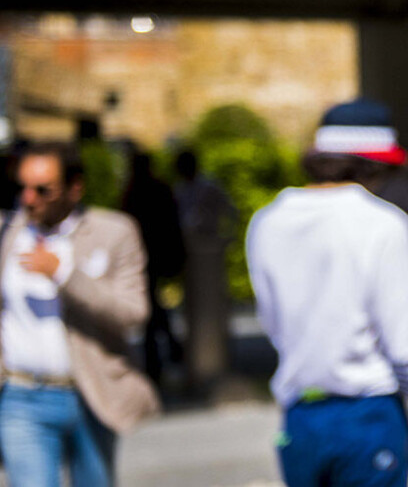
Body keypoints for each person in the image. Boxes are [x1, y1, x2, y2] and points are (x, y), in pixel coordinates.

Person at [245, 98, 408, 487]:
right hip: (368, 416)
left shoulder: (266, 221)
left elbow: (271, 323)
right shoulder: (382, 223)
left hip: (299, 416)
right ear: (374, 165)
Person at [0, 142, 159, 486]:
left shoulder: (114, 232)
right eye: (23, 187)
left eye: (43, 190)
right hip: (21, 396)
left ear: (75, 187)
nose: (29, 199)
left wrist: (64, 274)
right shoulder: (6, 232)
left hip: (91, 393)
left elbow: (133, 312)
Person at [122, 149, 186, 386]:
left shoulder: (134, 191)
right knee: (153, 307)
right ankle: (170, 349)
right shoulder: (152, 188)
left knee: (152, 308)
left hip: (148, 255)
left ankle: (163, 354)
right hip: (150, 254)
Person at [173, 148, 235, 393]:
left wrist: (223, 239)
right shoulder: (179, 190)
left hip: (208, 253)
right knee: (193, 314)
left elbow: (231, 211)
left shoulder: (208, 187)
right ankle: (196, 370)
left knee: (213, 312)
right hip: (190, 254)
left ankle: (214, 367)